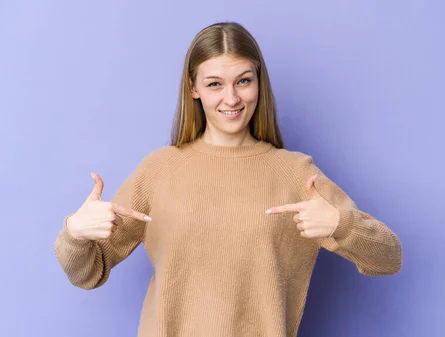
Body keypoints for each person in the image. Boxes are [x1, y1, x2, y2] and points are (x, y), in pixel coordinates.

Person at [54, 21, 402, 337]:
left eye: (243, 81)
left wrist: (341, 225)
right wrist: (74, 233)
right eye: (215, 84)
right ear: (194, 88)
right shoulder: (159, 170)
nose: (231, 98)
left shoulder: (295, 173)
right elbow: (87, 273)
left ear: (258, 82)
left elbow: (388, 258)